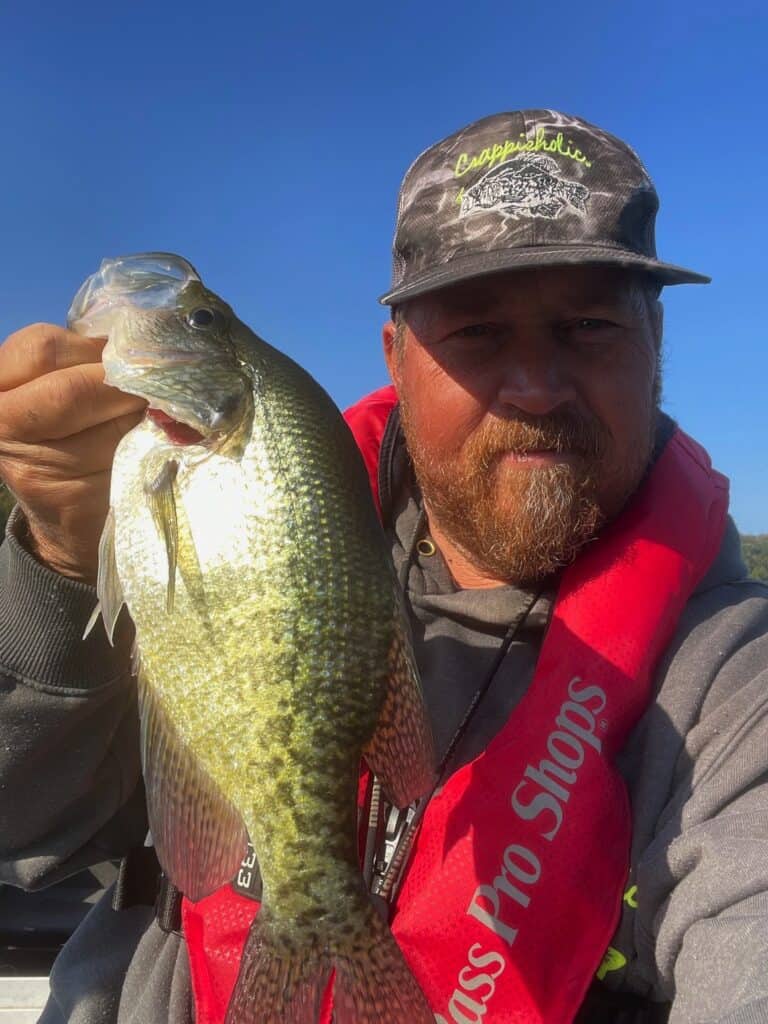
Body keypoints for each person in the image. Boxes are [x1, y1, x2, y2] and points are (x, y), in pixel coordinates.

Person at [0, 109, 766, 1024]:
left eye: (589, 325)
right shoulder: (229, 532)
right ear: (395, 356)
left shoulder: (730, 689)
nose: (535, 385)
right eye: (478, 333)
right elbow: (28, 836)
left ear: (656, 345)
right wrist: (55, 565)